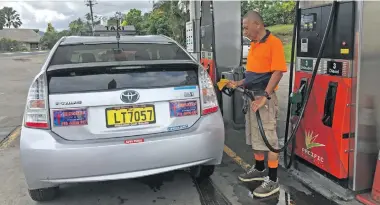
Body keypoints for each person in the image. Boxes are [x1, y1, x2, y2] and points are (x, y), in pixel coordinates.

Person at [226, 10, 287, 198]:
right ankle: (260, 168)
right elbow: (252, 74)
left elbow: (277, 72)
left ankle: (273, 180)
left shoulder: (273, 43)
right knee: (255, 136)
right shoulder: (253, 45)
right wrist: (239, 83)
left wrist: (265, 97)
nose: (244, 31)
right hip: (252, 97)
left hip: (264, 99)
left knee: (269, 138)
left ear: (257, 25)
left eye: (246, 27)